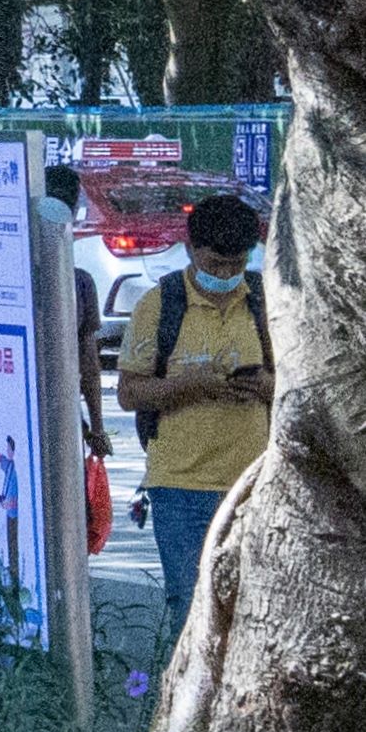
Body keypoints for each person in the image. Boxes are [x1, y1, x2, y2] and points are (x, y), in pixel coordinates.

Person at [116, 191, 271, 639]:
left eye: (236, 264)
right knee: (192, 608)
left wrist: (267, 385)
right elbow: (129, 393)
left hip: (254, 483)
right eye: (215, 264)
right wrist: (186, 386)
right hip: (180, 487)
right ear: (190, 250)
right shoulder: (159, 304)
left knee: (253, 610)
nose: (225, 275)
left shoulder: (264, 301)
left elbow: (296, 384)